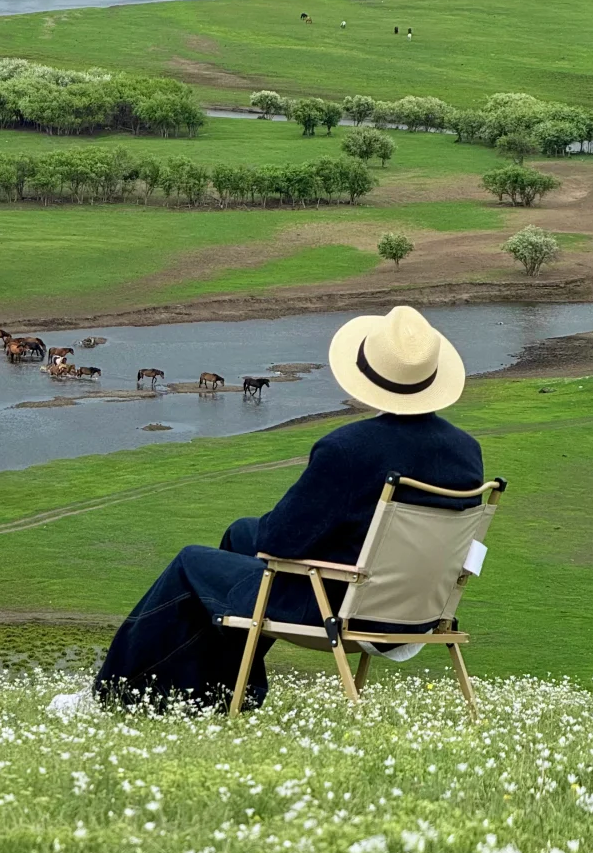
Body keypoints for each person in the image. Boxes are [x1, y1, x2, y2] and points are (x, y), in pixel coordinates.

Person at [58, 306, 482, 716]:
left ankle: (110, 695)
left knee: (192, 561)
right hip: (418, 608)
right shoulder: (467, 451)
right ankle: (220, 689)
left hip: (339, 603)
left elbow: (279, 540)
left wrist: (282, 529)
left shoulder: (349, 449)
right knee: (240, 533)